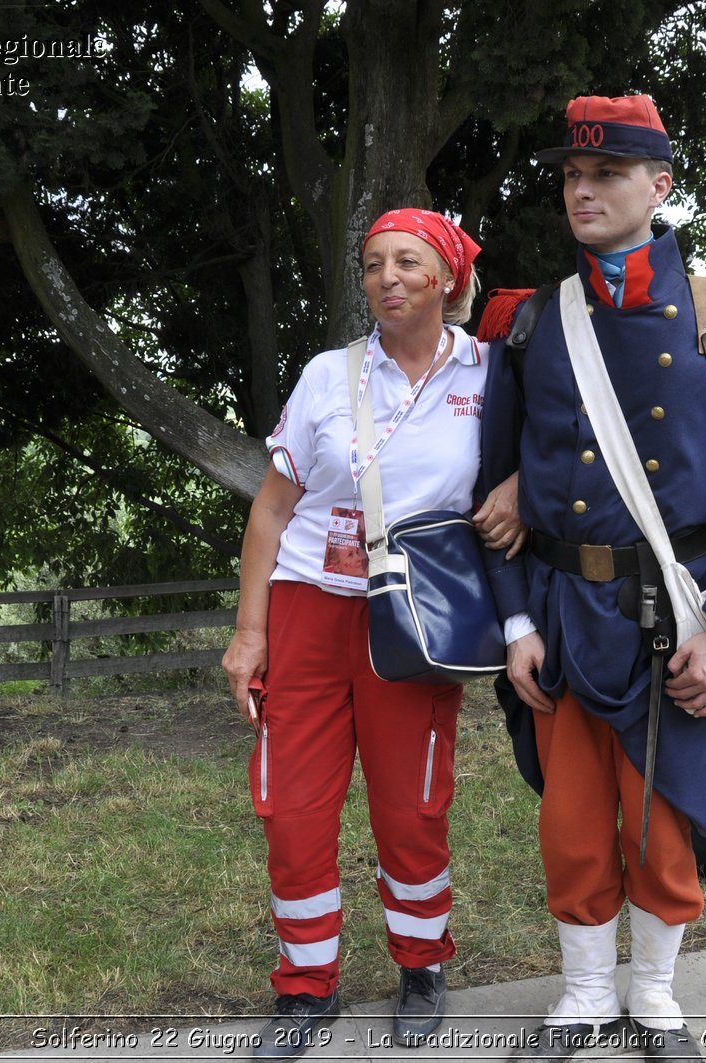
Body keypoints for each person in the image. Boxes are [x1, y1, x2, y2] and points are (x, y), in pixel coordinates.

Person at [476, 95, 706, 1062]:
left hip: (675, 618)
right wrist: (512, 628)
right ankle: (581, 993)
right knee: (573, 822)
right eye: (572, 177)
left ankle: (654, 997)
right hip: (561, 614)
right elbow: (493, 504)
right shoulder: (530, 324)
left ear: (659, 187)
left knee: (663, 820)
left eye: (605, 175)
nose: (582, 191)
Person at [223, 208, 513, 1060]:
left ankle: (422, 966)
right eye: (373, 262)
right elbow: (271, 514)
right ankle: (306, 985)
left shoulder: (493, 375)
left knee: (412, 803)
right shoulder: (325, 376)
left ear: (448, 279)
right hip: (311, 607)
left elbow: (549, 454)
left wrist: (525, 489)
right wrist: (250, 634)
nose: (387, 276)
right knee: (292, 810)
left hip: (415, 615)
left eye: (407, 261)